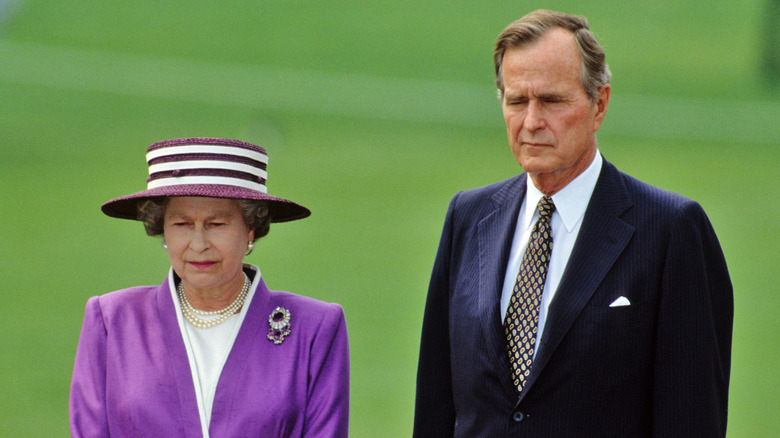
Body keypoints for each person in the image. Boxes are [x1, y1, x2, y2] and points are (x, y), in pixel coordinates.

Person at [413, 10, 733, 437]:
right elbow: (435, 409)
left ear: (599, 105)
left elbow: (692, 418)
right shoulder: (467, 218)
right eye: (517, 101)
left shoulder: (671, 230)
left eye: (551, 101)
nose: (531, 122)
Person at [69, 137, 349, 437]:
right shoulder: (111, 319)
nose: (199, 244)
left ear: (251, 229)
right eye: (182, 224)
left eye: (217, 225)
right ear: (162, 230)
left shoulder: (315, 327)